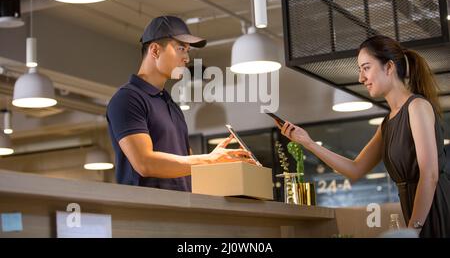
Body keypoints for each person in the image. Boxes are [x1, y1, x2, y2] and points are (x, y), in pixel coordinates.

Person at [276, 35, 449, 238]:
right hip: (418, 216)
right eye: (360, 70)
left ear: (389, 67)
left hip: (437, 211)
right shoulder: (387, 124)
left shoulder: (417, 107)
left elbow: (430, 175)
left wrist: (412, 230)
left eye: (366, 68)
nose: (361, 78)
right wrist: (308, 142)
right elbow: (355, 169)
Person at [107, 16, 255, 192]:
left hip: (181, 209)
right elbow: (144, 163)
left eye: (188, 51)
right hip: (146, 212)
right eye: (181, 48)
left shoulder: (170, 103)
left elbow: (187, 164)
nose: (186, 58)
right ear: (155, 50)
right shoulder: (128, 99)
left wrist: (220, 162)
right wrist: (209, 159)